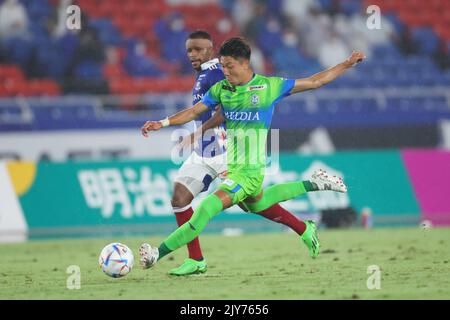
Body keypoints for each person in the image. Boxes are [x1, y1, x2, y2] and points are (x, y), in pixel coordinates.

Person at [140, 37, 364, 271]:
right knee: (259, 203)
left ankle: (158, 253)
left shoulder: (269, 87)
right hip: (235, 167)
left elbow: (315, 81)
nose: (224, 71)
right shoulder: (222, 89)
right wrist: (162, 122)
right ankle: (313, 192)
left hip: (248, 173)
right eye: (222, 66)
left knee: (206, 209)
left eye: (229, 66)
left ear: (245, 63)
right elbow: (195, 111)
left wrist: (346, 64)